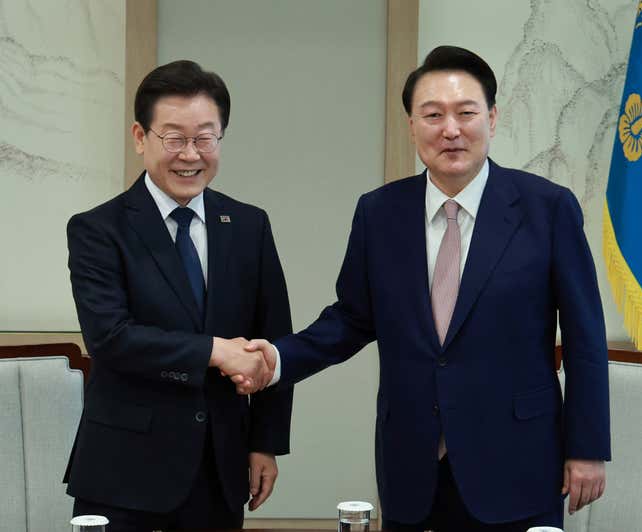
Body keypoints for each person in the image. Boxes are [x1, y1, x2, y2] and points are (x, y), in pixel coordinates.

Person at [230, 46, 611, 531]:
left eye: (466, 113)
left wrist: (587, 448)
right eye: (432, 115)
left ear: (492, 118)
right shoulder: (379, 212)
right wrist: (277, 360)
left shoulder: (547, 209)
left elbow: (584, 338)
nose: (450, 129)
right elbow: (351, 319)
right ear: (412, 125)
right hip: (413, 462)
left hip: (519, 460)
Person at [64, 60, 293, 531]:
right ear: (140, 137)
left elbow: (274, 339)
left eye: (205, 138)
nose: (191, 154)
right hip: (125, 472)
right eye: (174, 138)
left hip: (221, 467)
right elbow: (111, 337)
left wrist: (264, 441)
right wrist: (214, 351)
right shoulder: (97, 229)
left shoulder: (249, 226)